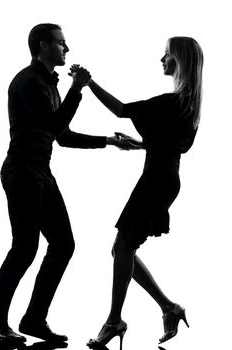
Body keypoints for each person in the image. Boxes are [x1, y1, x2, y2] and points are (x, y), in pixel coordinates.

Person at [0, 23, 142, 344]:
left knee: (63, 244)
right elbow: (55, 127)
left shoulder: (48, 84)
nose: (66, 49)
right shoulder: (28, 82)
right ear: (43, 46)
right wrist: (77, 89)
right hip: (22, 171)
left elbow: (63, 137)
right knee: (25, 247)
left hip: (40, 172)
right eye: (60, 43)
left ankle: (33, 320)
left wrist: (109, 140)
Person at [83, 36, 203, 348]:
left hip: (156, 179)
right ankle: (168, 308)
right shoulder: (189, 105)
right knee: (122, 248)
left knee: (123, 246)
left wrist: (88, 82)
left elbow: (121, 110)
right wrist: (138, 145)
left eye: (166, 55)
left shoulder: (172, 100)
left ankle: (114, 321)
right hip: (166, 177)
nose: (161, 59)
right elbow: (176, 147)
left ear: (178, 60)